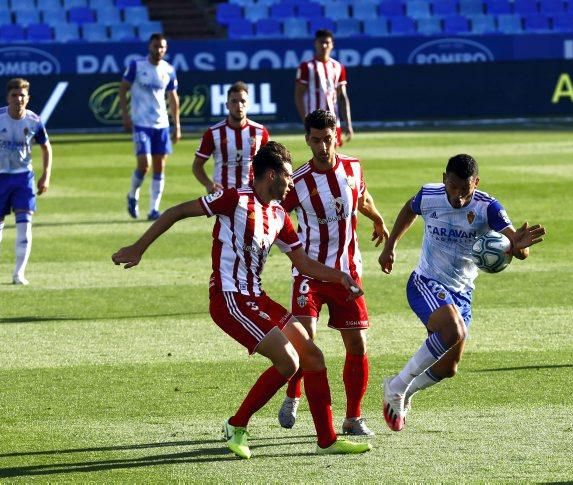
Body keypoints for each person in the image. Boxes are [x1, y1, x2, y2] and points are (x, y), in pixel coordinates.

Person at [112, 141, 372, 459]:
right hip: (229, 298)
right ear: (271, 175)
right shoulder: (234, 198)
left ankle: (327, 439)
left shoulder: (278, 215)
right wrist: (139, 247)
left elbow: (303, 263)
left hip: (257, 298)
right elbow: (178, 211)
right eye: (288, 176)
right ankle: (237, 425)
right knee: (289, 361)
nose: (291, 183)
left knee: (313, 356)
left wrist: (339, 277)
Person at [377, 154, 546, 431]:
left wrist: (520, 247)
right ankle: (397, 387)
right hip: (426, 281)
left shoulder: (488, 207)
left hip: (462, 292)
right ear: (444, 179)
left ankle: (406, 390)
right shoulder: (430, 195)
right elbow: (410, 208)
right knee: (452, 331)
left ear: (476, 183)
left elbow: (518, 246)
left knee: (448, 368)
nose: (456, 196)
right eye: (451, 187)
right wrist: (390, 245)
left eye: (464, 190)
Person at [277, 109, 388, 437]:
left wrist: (378, 218)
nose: (323, 146)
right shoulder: (297, 181)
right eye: (316, 140)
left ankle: (353, 418)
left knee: (357, 345)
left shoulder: (352, 167)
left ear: (336, 135)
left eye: (328, 139)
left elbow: (362, 197)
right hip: (309, 273)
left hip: (348, 272)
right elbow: (276, 213)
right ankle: (293, 392)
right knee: (305, 339)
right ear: (307, 139)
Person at [0, 77, 52, 286]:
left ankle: (19, 273)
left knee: (25, 224)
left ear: (28, 98)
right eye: (14, 95)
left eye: (22, 95)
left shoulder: (34, 120)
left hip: (23, 178)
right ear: (8, 97)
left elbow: (46, 147)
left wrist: (46, 175)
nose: (18, 99)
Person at [120, 32, 181, 221]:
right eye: (156, 46)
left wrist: (176, 125)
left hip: (161, 124)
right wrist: (125, 114)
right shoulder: (137, 66)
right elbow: (123, 88)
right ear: (149, 47)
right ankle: (132, 195)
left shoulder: (169, 69)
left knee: (159, 166)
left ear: (166, 49)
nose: (158, 50)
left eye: (162, 47)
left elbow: (173, 98)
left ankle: (154, 209)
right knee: (144, 164)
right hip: (141, 123)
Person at [192, 81, 269, 193]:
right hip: (223, 195)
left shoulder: (260, 132)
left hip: (252, 195)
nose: (239, 105)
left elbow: (272, 163)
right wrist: (209, 184)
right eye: (234, 101)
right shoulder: (213, 133)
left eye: (243, 101)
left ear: (248, 104)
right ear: (227, 105)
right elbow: (197, 166)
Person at [295, 29, 353, 146]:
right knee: (319, 155)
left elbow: (342, 96)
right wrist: (305, 121)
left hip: (333, 120)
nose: (324, 45)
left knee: (332, 156)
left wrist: (348, 123)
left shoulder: (338, 67)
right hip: (314, 120)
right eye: (321, 42)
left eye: (327, 42)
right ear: (315, 43)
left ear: (332, 45)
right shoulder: (306, 67)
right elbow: (298, 95)